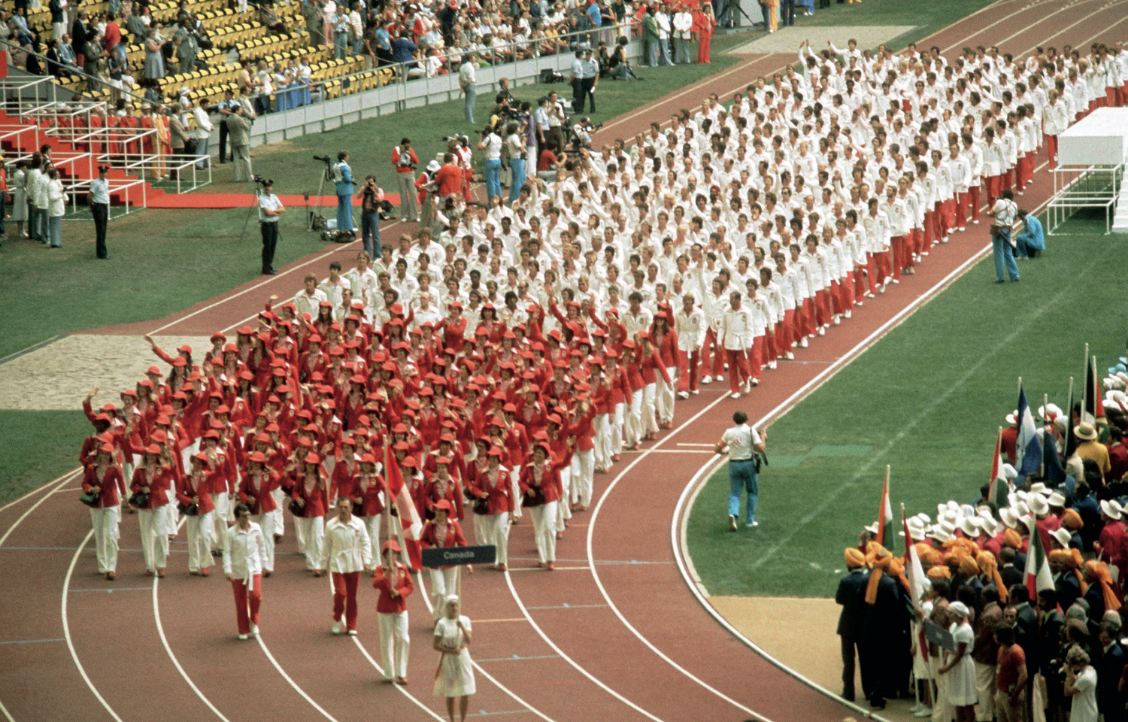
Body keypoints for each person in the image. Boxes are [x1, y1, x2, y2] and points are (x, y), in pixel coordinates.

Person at [320, 498, 372, 636]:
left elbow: (366, 542)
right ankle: (337, 618)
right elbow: (326, 545)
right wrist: (322, 564)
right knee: (340, 593)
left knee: (352, 596)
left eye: (346, 507)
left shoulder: (359, 524)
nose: (343, 510)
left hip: (354, 563)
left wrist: (366, 560)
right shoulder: (331, 525)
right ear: (337, 508)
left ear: (351, 509)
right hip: (338, 563)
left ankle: (351, 624)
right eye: (341, 507)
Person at [714, 410, 766, 530]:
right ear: (746, 419)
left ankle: (733, 513)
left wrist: (725, 451)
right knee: (752, 492)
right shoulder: (750, 430)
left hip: (733, 464)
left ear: (734, 420)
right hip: (747, 464)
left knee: (735, 493)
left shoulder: (728, 432)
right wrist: (762, 437)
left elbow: (717, 448)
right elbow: (760, 448)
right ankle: (749, 520)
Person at [81, 443, 126, 580]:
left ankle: (111, 567)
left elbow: (121, 481)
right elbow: (85, 483)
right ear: (99, 455)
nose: (105, 457)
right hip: (96, 504)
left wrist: (125, 495)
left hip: (111, 502)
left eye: (108, 454)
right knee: (99, 534)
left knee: (111, 535)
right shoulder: (91, 468)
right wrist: (90, 489)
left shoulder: (114, 468)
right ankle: (102, 565)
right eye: (103, 454)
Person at [224, 503, 266, 641]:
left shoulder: (256, 528)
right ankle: (243, 628)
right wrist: (228, 569)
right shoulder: (231, 533)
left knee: (256, 595)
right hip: (238, 569)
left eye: (248, 515)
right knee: (241, 601)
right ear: (237, 518)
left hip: (254, 567)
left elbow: (262, 545)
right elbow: (227, 552)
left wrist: (264, 562)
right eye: (243, 516)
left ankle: (254, 620)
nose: (247, 518)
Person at [374, 539, 413, 685]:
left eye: (396, 553)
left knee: (403, 638)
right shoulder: (380, 569)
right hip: (384, 608)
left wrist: (399, 592)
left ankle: (402, 672)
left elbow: (410, 586)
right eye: (391, 553)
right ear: (385, 554)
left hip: (400, 607)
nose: (394, 556)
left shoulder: (402, 568)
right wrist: (386, 574)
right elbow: (375, 584)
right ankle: (389, 673)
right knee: (386, 640)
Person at [433, 595, 475, 722]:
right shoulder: (442, 623)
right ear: (446, 607)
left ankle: (463, 719)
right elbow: (436, 645)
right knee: (450, 692)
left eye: (456, 605)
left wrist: (461, 627)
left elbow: (468, 640)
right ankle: (451, 719)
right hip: (448, 658)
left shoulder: (465, 620)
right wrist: (451, 650)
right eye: (452, 605)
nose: (455, 608)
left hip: (463, 656)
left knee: (466, 689)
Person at [836, 547, 869, 702]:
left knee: (848, 660)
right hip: (863, 624)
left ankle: (848, 692)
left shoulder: (845, 581)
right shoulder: (867, 579)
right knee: (866, 659)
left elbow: (839, 599)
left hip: (847, 625)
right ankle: (869, 691)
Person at [939, 601, 978, 722]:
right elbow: (948, 646)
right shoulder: (953, 626)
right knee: (957, 699)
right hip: (954, 664)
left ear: (957, 615)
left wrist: (946, 668)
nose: (948, 615)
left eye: (950, 613)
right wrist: (944, 662)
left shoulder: (965, 630)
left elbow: (960, 654)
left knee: (966, 701)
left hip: (962, 666)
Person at [993, 624, 1026, 722]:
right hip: (1001, 692)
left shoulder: (1016, 652)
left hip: (1011, 694)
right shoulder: (1001, 649)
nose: (994, 636)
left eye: (996, 634)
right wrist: (997, 691)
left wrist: (1014, 695)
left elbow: (1024, 675)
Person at [988, 189, 1019, 283]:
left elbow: (990, 213)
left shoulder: (1000, 202)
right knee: (1008, 252)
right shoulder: (1014, 204)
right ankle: (1014, 275)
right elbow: (1015, 217)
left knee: (999, 253)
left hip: (998, 229)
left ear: (1003, 195)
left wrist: (997, 204)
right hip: (1008, 229)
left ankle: (1000, 277)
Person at [1064, 645, 1098, 722]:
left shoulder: (1085, 678)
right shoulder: (1091, 670)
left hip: (1084, 714)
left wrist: (1068, 675)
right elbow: (1075, 680)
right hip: (1085, 711)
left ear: (1076, 664)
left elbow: (1067, 692)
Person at [258, 179, 284, 275]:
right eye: (266, 187)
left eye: (269, 186)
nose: (267, 188)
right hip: (267, 225)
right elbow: (267, 213)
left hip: (274, 224)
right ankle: (265, 267)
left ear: (271, 187)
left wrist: (273, 213)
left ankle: (269, 265)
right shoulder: (261, 198)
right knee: (267, 246)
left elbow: (283, 209)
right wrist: (276, 212)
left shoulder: (274, 197)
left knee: (273, 246)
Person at [391, 138, 419, 222]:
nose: (407, 147)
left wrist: (410, 154)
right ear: (401, 145)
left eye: (408, 146)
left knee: (413, 194)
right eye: (405, 146)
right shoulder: (396, 150)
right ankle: (405, 215)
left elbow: (416, 161)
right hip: (401, 174)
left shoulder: (410, 150)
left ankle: (415, 215)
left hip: (410, 173)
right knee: (403, 194)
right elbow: (393, 161)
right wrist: (400, 153)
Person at [86, 164, 110, 259]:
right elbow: (89, 196)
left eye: (105, 172)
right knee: (100, 230)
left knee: (103, 229)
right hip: (98, 206)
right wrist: (91, 206)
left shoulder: (106, 182)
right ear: (99, 173)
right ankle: (101, 252)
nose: (104, 174)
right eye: (102, 172)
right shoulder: (95, 183)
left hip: (104, 205)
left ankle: (102, 251)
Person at [357, 175, 384, 260]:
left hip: (373, 213)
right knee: (365, 235)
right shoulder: (365, 189)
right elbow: (358, 196)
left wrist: (373, 191)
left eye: (371, 182)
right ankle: (368, 254)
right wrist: (365, 188)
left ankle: (378, 255)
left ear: (375, 183)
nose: (369, 183)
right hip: (365, 213)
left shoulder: (379, 190)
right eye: (368, 182)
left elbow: (379, 199)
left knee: (375, 235)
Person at [226, 105, 253, 182]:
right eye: (240, 110)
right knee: (246, 159)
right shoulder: (239, 119)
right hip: (242, 140)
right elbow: (247, 128)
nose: (241, 111)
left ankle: (237, 178)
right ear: (237, 111)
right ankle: (249, 177)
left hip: (233, 140)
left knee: (236, 159)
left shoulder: (228, 119)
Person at [478, 125, 502, 204]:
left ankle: (492, 201)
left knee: (491, 182)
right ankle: (499, 199)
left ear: (487, 131)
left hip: (490, 161)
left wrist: (480, 138)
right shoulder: (498, 138)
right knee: (497, 181)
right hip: (498, 160)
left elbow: (480, 147)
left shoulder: (488, 138)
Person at [334, 150, 355, 235]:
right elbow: (347, 178)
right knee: (347, 209)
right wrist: (352, 179)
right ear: (344, 157)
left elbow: (332, 175)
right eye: (347, 156)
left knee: (340, 209)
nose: (348, 157)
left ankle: (340, 227)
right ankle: (349, 227)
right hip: (346, 189)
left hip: (339, 188)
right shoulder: (344, 166)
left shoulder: (335, 165)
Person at [192, 97, 214, 169]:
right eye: (206, 105)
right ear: (202, 104)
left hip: (206, 132)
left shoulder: (203, 111)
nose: (207, 106)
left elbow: (206, 120)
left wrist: (211, 125)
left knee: (206, 149)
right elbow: (201, 123)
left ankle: (206, 162)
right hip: (202, 132)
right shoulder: (197, 111)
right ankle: (198, 164)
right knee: (200, 148)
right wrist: (209, 127)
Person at [459, 55, 476, 124]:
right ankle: (470, 119)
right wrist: (464, 86)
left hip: (464, 83)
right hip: (470, 85)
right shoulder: (470, 67)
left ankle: (468, 118)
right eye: (473, 57)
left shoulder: (462, 67)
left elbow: (459, 78)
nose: (475, 58)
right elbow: (470, 80)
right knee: (470, 103)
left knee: (468, 102)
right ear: (470, 59)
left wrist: (462, 86)